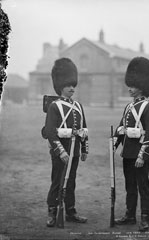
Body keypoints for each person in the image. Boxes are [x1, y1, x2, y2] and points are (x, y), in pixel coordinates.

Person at [114, 57, 149, 232]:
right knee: (129, 186)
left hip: (140, 153)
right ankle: (130, 215)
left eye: (132, 85)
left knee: (143, 186)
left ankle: (145, 218)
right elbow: (121, 127)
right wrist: (114, 141)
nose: (129, 88)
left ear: (142, 85)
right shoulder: (128, 107)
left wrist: (143, 155)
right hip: (128, 153)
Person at [44, 58, 89, 227]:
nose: (72, 88)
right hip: (60, 151)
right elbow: (50, 132)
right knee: (58, 180)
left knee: (71, 181)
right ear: (60, 85)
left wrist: (84, 148)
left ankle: (70, 211)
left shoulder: (78, 106)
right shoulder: (54, 106)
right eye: (68, 85)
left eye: (73, 85)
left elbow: (83, 129)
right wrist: (61, 151)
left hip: (75, 150)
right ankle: (52, 211)